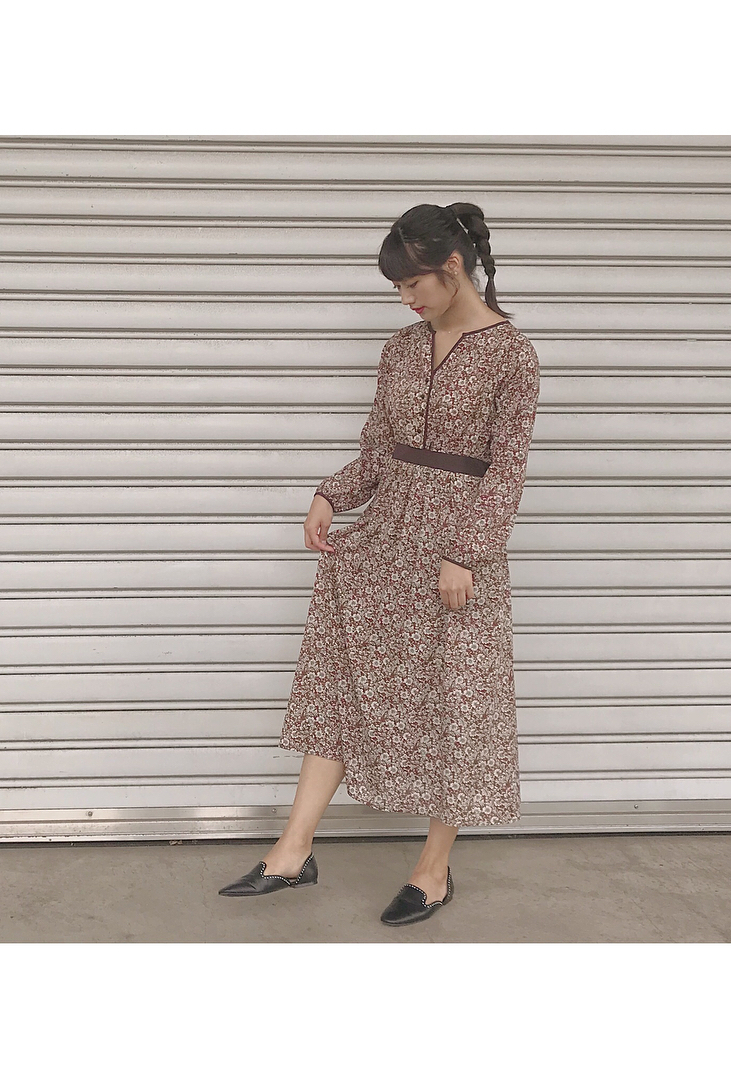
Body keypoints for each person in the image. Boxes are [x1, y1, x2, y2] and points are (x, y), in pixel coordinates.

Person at [218, 203, 541, 925]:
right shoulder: (400, 349)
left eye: (412, 283)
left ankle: (433, 869)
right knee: (340, 686)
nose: (405, 299)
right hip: (386, 540)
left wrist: (466, 552)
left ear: (452, 267)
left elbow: (507, 472)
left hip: (458, 554)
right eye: (397, 288)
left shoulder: (513, 355)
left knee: (455, 703)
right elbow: (376, 450)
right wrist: (331, 494)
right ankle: (292, 851)